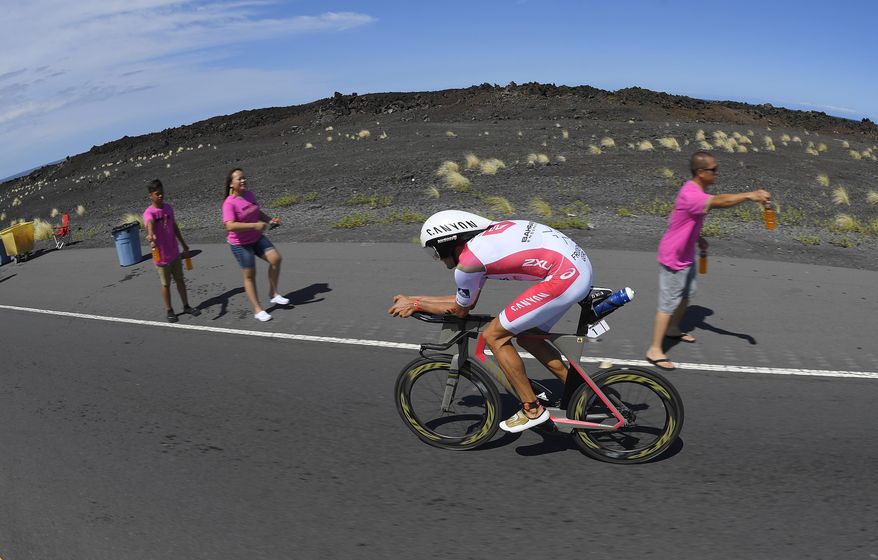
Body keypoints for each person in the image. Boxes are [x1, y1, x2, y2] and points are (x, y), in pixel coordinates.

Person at [388, 210, 593, 433]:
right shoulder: (485, 240)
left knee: (494, 336)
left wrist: (416, 304)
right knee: (528, 337)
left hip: (564, 275)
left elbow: (460, 309)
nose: (437, 258)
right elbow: (463, 300)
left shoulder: (468, 264)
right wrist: (415, 300)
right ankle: (580, 392)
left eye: (434, 251)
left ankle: (532, 409)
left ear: (447, 242)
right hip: (576, 267)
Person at [645, 151, 771, 370]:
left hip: (687, 254)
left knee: (687, 294)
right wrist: (750, 196)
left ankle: (673, 328)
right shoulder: (693, 194)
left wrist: (698, 238)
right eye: (713, 169)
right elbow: (720, 201)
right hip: (673, 257)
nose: (717, 173)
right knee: (668, 303)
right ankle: (655, 349)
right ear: (701, 172)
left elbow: (680, 219)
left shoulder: (695, 190)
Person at [222, 168, 289, 322]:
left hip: (256, 237)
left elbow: (257, 212)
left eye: (244, 177)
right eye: (239, 179)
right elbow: (230, 226)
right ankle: (258, 309)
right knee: (250, 275)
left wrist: (270, 220)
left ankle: (273, 293)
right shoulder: (229, 203)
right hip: (240, 244)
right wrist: (254, 226)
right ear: (231, 184)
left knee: (276, 259)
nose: (243, 180)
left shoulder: (249, 195)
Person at [143, 179, 201, 323]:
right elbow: (149, 223)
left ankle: (186, 306)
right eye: (157, 194)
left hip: (174, 253)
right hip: (161, 257)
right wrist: (151, 235)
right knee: (166, 284)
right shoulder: (149, 213)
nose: (161, 196)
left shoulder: (168, 208)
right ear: (151, 195)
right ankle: (169, 310)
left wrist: (184, 245)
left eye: (162, 193)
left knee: (180, 280)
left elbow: (174, 227)